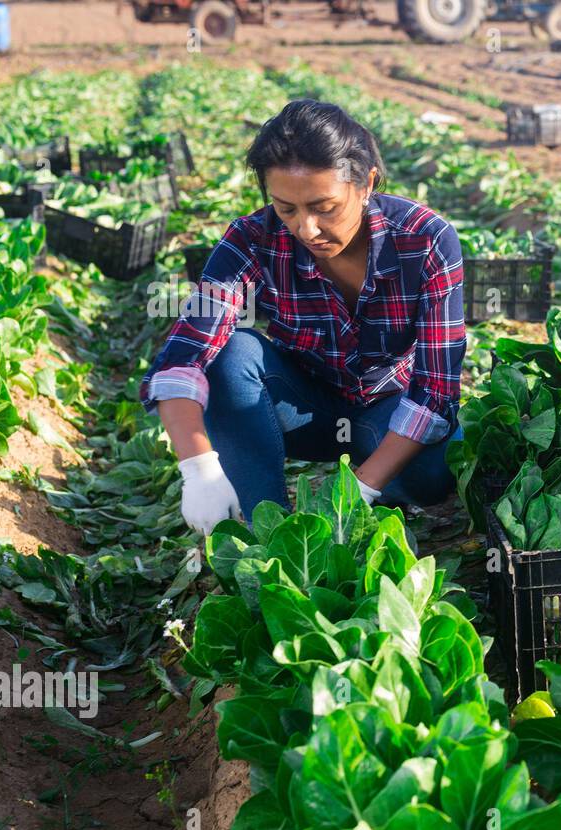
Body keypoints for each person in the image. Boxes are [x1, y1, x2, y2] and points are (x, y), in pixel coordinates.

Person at [139, 99, 466, 534]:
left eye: (324, 207)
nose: (306, 228)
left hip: (385, 414)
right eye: (286, 208)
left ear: (366, 184)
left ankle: (380, 492)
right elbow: (184, 355)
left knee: (437, 467)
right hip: (301, 409)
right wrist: (197, 467)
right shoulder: (253, 238)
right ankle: (267, 529)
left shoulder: (425, 240)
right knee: (230, 353)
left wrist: (357, 493)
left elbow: (434, 392)